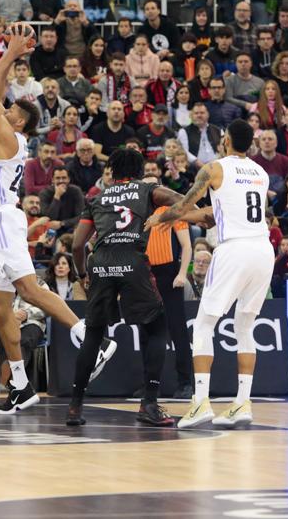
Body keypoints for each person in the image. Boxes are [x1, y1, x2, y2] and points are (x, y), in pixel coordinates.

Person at [0, 24, 115, 414]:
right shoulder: (10, 137)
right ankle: (21, 386)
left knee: (29, 288)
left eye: (10, 112)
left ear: (19, 123)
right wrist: (9, 60)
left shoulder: (9, 139)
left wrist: (12, 52)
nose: (2, 110)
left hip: (4, 219)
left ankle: (93, 339)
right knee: (1, 307)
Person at [147, 119, 275, 430]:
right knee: (246, 326)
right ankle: (242, 403)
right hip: (262, 248)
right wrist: (193, 216)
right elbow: (219, 212)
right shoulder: (260, 172)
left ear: (227, 140)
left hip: (233, 249)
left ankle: (200, 402)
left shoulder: (214, 168)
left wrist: (158, 219)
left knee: (204, 325)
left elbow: (185, 203)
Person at [69, 149, 195, 427]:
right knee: (157, 327)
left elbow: (77, 245)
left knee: (93, 334)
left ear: (112, 171)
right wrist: (200, 211)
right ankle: (149, 403)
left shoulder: (97, 198)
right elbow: (181, 201)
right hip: (132, 262)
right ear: (139, 171)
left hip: (100, 264)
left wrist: (81, 273)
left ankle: (75, 407)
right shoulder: (147, 189)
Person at [147, 204, 193, 399]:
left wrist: (182, 273)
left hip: (170, 274)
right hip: (148, 275)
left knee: (178, 330)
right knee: (149, 330)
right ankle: (150, 386)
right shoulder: (139, 210)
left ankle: (185, 384)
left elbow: (187, 246)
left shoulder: (171, 210)